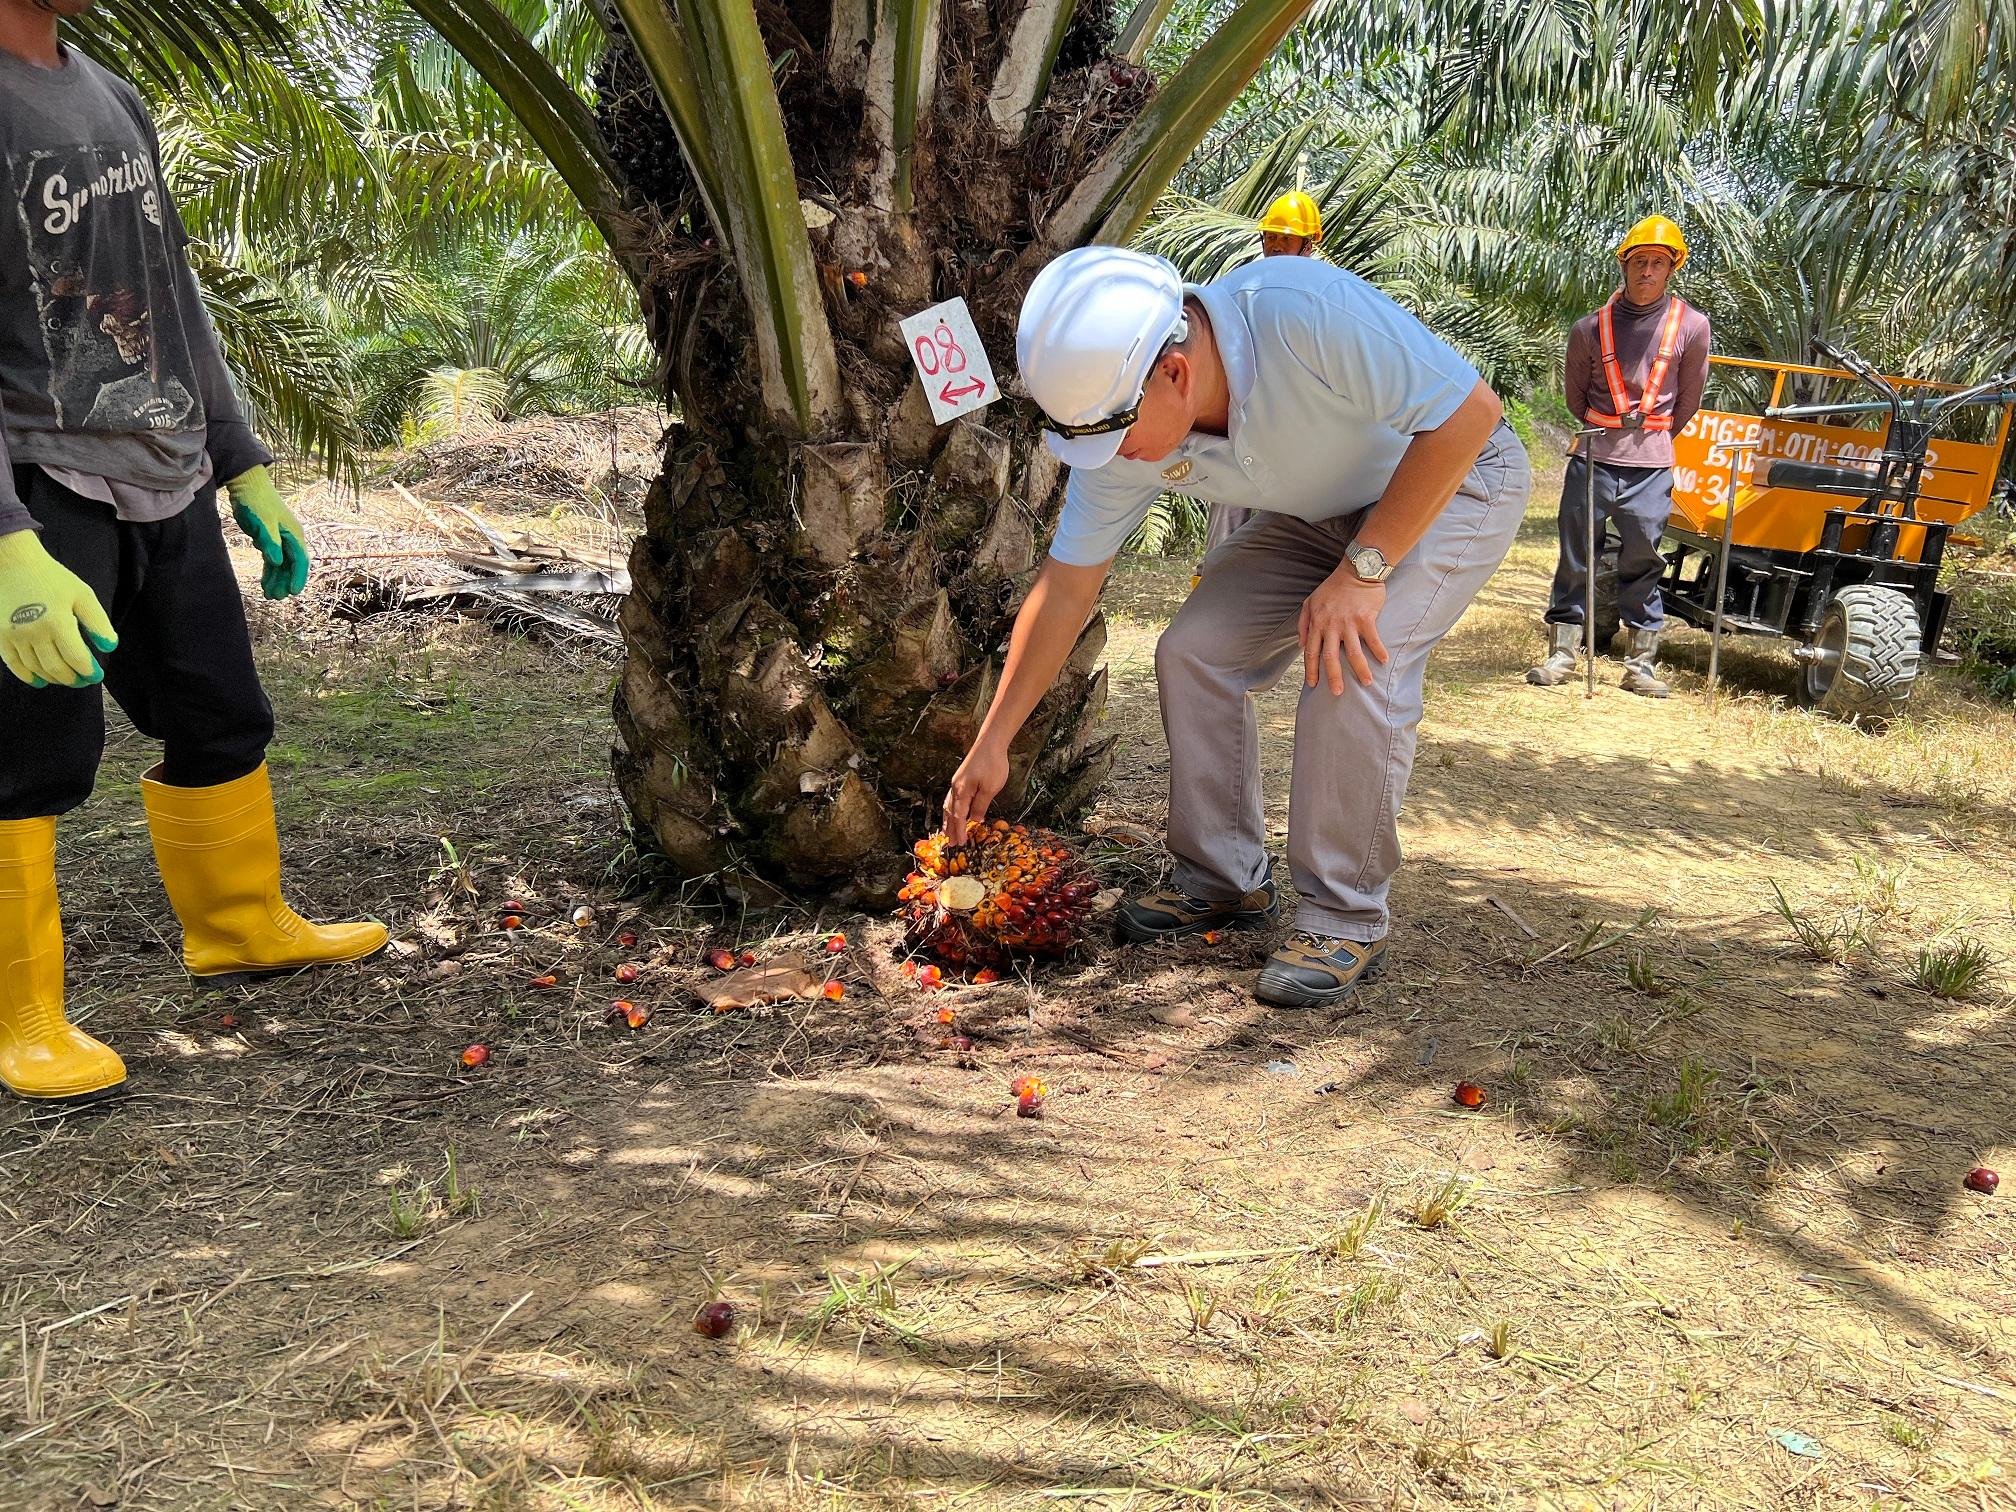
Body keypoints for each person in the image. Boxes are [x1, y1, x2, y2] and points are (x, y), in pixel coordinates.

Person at [943, 247, 1530, 1008]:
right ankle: (1223, 882)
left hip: (1453, 482)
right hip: (1320, 514)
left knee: (1350, 659)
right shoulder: (1119, 417)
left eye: (1116, 436)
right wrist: (993, 741)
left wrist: (1363, 572)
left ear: (1176, 373)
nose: (1110, 458)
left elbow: (1469, 416)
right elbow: (1065, 588)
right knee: (1195, 651)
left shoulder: (1300, 312)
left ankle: (1343, 916)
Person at [0, 0, 386, 1104]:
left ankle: (239, 924)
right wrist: (6, 546)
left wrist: (241, 455)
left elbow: (172, 290)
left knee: (218, 710)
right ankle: (22, 1015)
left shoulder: (110, 92)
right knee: (30, 753)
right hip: (43, 480)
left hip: (165, 464)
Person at [1527, 215, 1711, 697]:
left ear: (1672, 269)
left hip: (1651, 464)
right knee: (1576, 554)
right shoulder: (1589, 328)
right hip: (1593, 458)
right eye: (1638, 261)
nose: (1647, 271)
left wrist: (1650, 438)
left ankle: (1642, 664)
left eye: (1657, 262)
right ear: (1624, 266)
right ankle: (1563, 652)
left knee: (1644, 557)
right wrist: (1609, 430)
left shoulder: (1692, 326)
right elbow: (1575, 398)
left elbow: (1688, 400)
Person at [1204, 191, 1328, 554]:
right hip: (1249, 413)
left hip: (1299, 419)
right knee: (1228, 498)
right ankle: (1210, 580)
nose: (1274, 245)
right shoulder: (1246, 283)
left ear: (1307, 245)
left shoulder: (1322, 292)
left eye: (1283, 238)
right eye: (1269, 237)